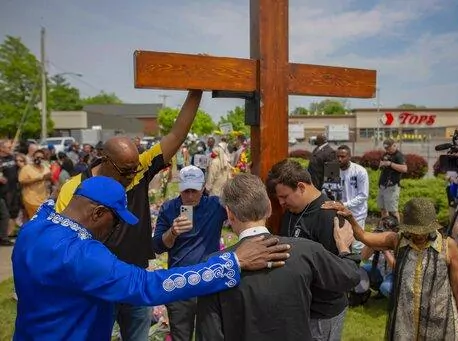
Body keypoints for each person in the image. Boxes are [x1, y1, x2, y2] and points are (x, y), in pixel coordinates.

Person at [12, 176, 291, 340]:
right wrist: (232, 263)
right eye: (115, 221)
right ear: (97, 213)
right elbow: (147, 286)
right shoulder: (80, 254)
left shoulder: (35, 228)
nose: (115, 230)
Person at [55, 90, 207, 341]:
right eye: (125, 171)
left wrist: (196, 92)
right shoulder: (74, 189)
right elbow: (64, 242)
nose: (131, 176)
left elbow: (177, 134)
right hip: (99, 282)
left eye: (134, 170)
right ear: (104, 159)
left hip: (135, 276)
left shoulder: (137, 170)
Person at [196, 173, 360, 341]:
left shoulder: (215, 266)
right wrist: (344, 248)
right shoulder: (305, 250)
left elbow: (209, 333)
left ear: (229, 214)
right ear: (269, 207)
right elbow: (350, 276)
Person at [324, 198, 458, 340]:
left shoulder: (447, 246)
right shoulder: (398, 240)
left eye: (423, 231)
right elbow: (363, 236)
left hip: (439, 322)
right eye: (414, 230)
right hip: (406, 323)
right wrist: (350, 218)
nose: (418, 235)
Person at [266, 159, 353, 340]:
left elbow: (339, 273)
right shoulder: (292, 211)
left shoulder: (329, 216)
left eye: (284, 196)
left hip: (322, 311)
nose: (281, 203)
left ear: (301, 187)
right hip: (298, 307)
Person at [152, 165, 228, 341]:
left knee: (211, 335)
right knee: (181, 335)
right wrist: (172, 232)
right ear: (180, 188)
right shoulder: (170, 208)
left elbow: (241, 213)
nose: (190, 196)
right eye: (186, 191)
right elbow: (157, 246)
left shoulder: (215, 206)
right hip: (180, 283)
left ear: (203, 187)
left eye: (195, 190)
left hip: (209, 282)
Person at [322, 145, 369, 253]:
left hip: (356, 214)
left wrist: (344, 205)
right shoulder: (332, 169)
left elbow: (363, 195)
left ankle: (357, 268)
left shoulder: (360, 171)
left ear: (349, 156)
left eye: (343, 156)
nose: (339, 159)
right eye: (337, 156)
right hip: (338, 213)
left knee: (357, 246)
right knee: (341, 244)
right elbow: (325, 189)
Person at [377, 139, 407, 222]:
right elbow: (382, 165)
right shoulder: (386, 154)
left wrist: (390, 164)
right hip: (382, 185)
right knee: (382, 209)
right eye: (386, 149)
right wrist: (381, 165)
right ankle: (385, 226)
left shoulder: (399, 155)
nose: (387, 150)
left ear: (394, 145)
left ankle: (396, 229)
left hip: (392, 186)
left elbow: (404, 169)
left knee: (393, 210)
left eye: (389, 148)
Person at [18, 149, 51, 219]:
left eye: (41, 158)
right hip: (31, 199)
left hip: (43, 198)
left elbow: (48, 182)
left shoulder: (46, 168)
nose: (39, 159)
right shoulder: (26, 168)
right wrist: (39, 178)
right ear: (33, 157)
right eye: (37, 157)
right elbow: (22, 182)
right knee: (35, 219)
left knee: (42, 219)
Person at [0, 140, 18, 246]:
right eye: (8, 147)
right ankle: (4, 237)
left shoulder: (12, 157)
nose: (10, 149)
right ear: (1, 148)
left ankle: (7, 235)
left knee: (11, 213)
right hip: (2, 192)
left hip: (13, 190)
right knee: (4, 214)